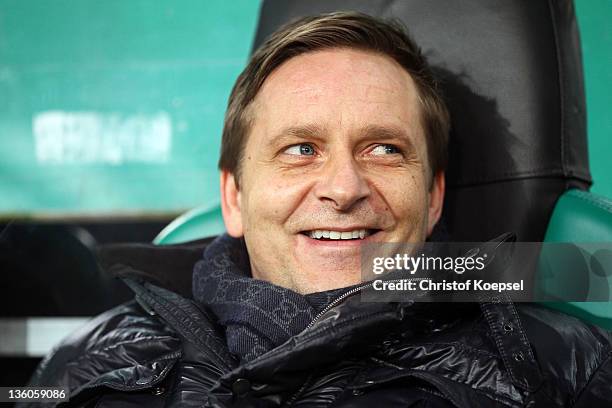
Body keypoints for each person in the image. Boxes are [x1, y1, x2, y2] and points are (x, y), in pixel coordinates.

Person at [22, 12, 612, 407]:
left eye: (384, 149)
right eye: (301, 149)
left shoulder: (564, 369)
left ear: (432, 197)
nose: (344, 187)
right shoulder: (84, 366)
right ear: (234, 198)